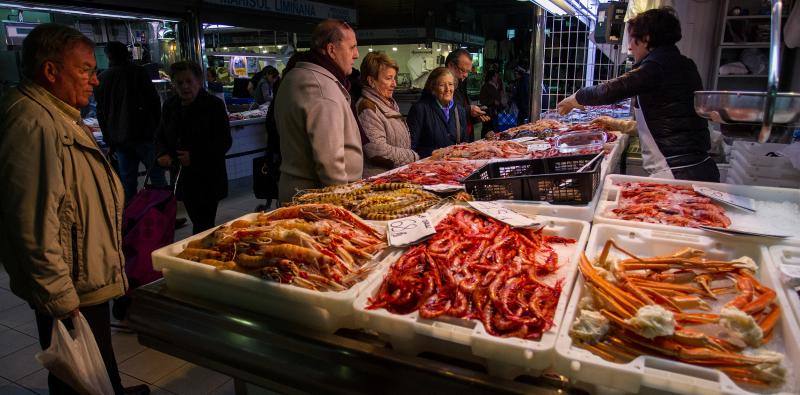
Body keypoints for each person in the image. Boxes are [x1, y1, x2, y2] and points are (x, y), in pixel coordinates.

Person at [0, 23, 148, 395]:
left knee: (95, 361)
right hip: (70, 285)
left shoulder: (57, 113)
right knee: (78, 372)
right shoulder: (33, 124)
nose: (95, 80)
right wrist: (59, 297)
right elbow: (32, 225)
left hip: (82, 276)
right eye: (85, 70)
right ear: (50, 71)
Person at [557, 7, 719, 182]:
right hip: (697, 167)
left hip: (679, 172)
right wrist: (619, 124)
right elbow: (669, 120)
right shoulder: (684, 64)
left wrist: (575, 98)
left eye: (632, 39)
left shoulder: (656, 66)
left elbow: (611, 90)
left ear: (646, 39)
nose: (629, 46)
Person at [275, 19, 362, 204]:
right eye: (352, 47)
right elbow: (330, 162)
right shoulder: (321, 88)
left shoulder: (296, 75)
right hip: (318, 198)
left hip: (297, 190)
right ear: (331, 50)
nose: (356, 54)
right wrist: (344, 204)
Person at [156, 61, 232, 234]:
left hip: (208, 177)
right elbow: (160, 135)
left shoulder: (213, 105)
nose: (185, 86)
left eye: (189, 81)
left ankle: (202, 248)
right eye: (179, 82)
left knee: (203, 223)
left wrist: (195, 156)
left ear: (198, 81)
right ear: (173, 84)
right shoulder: (170, 106)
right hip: (183, 177)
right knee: (198, 220)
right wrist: (162, 153)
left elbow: (224, 141)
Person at [95, 41, 165, 203]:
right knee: (157, 176)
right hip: (145, 134)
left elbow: (101, 112)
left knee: (128, 182)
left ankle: (132, 213)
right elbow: (154, 102)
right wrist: (158, 130)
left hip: (120, 138)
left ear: (108, 56)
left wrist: (108, 139)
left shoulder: (103, 78)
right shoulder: (139, 72)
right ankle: (162, 210)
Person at [356, 51, 419, 177]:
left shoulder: (387, 103)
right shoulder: (367, 108)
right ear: (371, 81)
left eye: (394, 78)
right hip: (379, 180)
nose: (394, 84)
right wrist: (413, 156)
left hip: (393, 176)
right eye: (388, 78)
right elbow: (377, 151)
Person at [407, 67, 468, 158]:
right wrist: (431, 153)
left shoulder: (460, 111)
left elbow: (465, 144)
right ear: (433, 88)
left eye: (450, 84)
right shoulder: (419, 109)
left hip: (454, 165)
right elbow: (410, 148)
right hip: (428, 165)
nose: (448, 89)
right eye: (442, 85)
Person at [445, 49, 489, 140]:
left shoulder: (460, 82)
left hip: (463, 138)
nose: (466, 75)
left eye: (468, 71)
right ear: (451, 65)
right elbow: (444, 113)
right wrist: (469, 110)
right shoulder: (439, 88)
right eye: (463, 70)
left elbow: (460, 106)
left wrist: (475, 114)